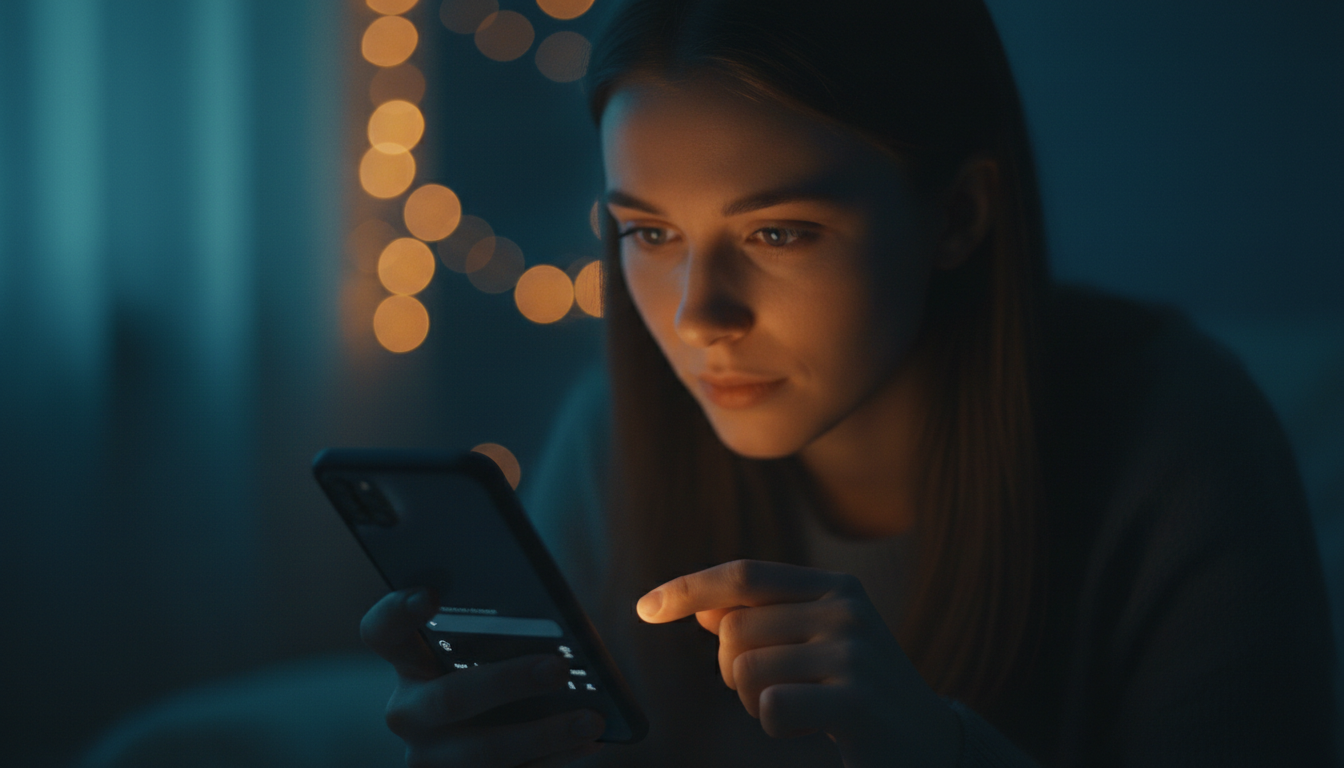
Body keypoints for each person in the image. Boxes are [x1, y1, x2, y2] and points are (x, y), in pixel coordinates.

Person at [360, 0, 1338, 765]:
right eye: (651, 234)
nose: (701, 316)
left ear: (956, 217)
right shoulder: (612, 440)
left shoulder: (1174, 443)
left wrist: (943, 753)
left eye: (778, 233)